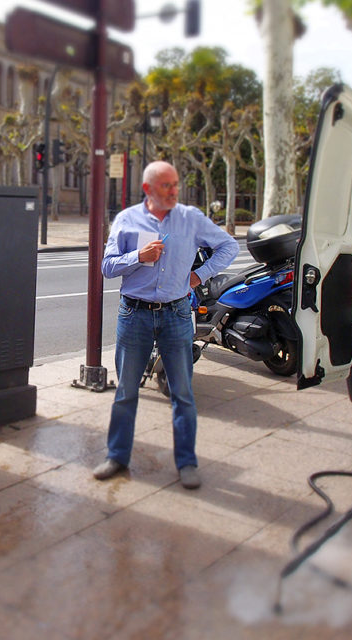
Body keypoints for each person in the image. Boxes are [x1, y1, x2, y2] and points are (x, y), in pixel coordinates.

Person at [93, 160, 239, 490]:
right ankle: (117, 456)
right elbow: (107, 266)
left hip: (175, 316)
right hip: (135, 315)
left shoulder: (191, 219)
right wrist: (138, 257)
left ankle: (187, 462)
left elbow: (228, 246)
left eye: (175, 184)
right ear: (147, 190)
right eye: (166, 186)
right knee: (126, 391)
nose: (174, 191)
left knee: (183, 394)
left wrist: (199, 275)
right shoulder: (127, 220)